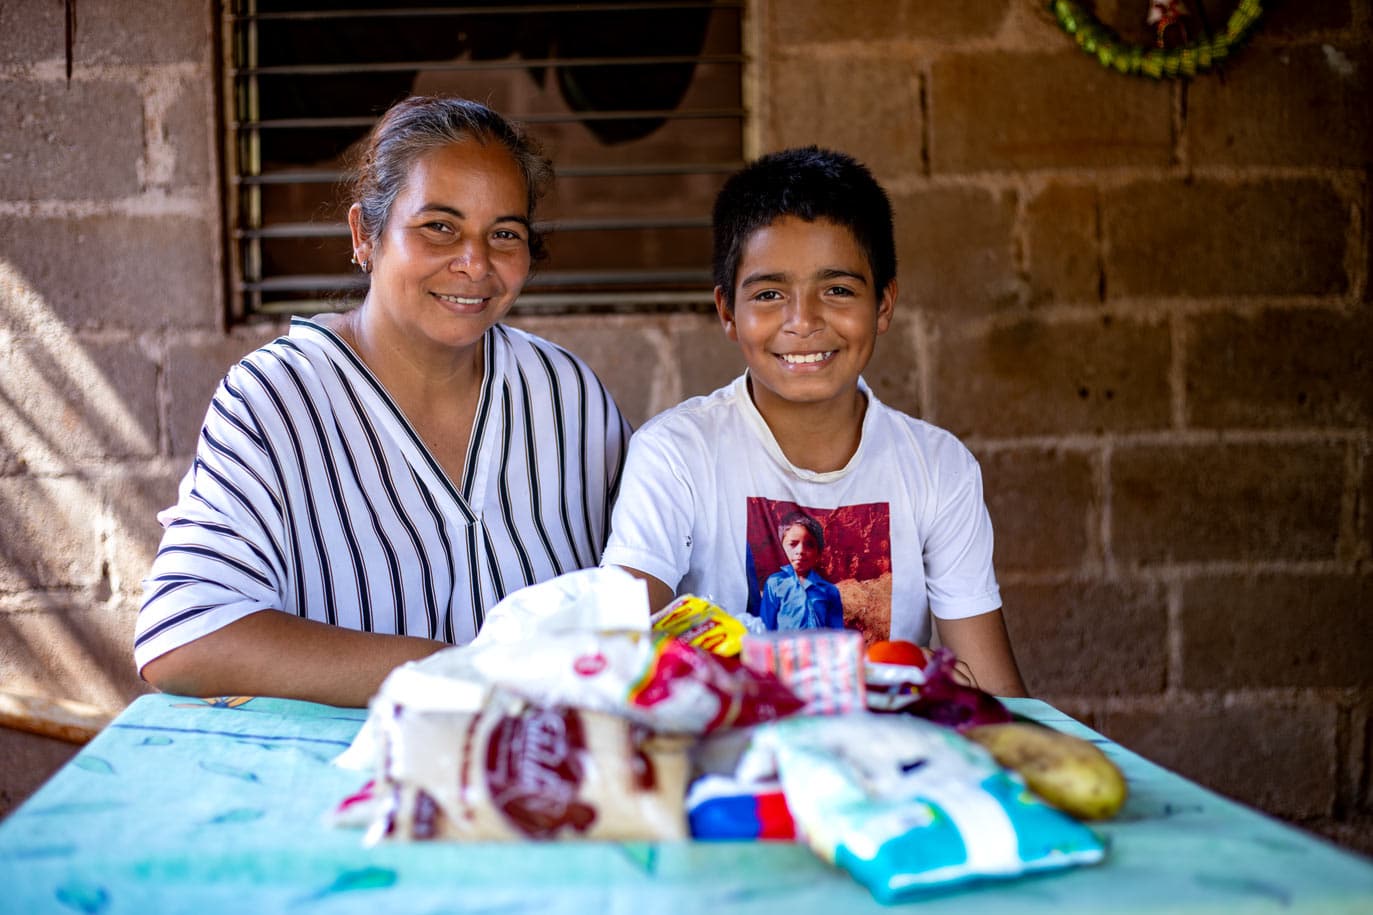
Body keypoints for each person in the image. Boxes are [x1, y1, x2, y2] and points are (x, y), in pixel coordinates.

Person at [136, 96, 630, 707]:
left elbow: (640, 596)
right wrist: (462, 674)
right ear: (365, 235)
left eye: (504, 233)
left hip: (546, 780)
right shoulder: (277, 399)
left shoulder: (567, 395)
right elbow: (182, 636)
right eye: (438, 227)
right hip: (346, 785)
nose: (475, 262)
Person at [602, 146, 1027, 696]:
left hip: (883, 768)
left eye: (838, 290)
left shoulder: (938, 468)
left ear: (884, 305)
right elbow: (620, 657)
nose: (803, 322)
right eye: (770, 293)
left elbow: (996, 694)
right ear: (728, 311)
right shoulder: (678, 454)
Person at [759, 510, 843, 630]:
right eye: (793, 544)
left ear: (818, 553)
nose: (800, 551)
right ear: (782, 547)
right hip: (784, 648)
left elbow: (837, 634)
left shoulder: (829, 591)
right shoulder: (775, 584)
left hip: (818, 648)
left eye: (809, 545)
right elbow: (765, 628)